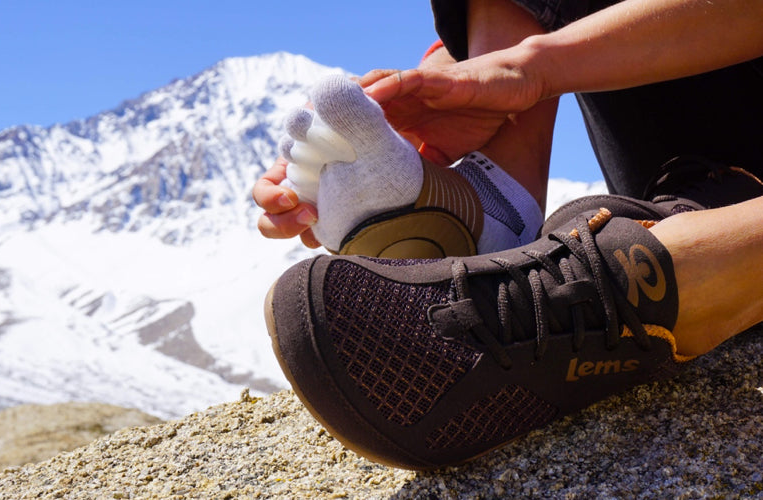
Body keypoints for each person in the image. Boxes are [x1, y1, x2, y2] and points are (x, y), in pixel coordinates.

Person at [255, 0, 763, 469]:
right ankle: (489, 206)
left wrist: (531, 67)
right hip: (698, 167)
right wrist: (461, 78)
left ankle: (655, 274)